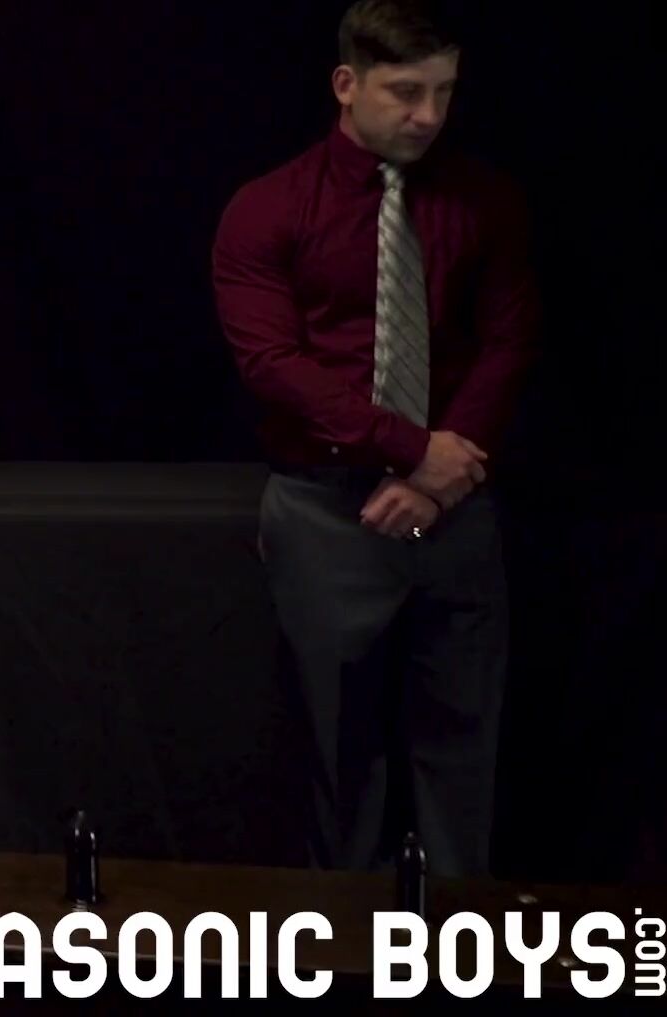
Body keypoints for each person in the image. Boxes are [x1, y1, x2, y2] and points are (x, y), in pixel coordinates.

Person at [211, 0, 537, 878]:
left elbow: (509, 341)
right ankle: (344, 938)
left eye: (444, 91)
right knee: (335, 756)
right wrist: (408, 447)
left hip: (457, 505)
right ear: (347, 84)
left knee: (463, 746)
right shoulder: (267, 208)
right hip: (326, 512)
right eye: (405, 92)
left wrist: (437, 473)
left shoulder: (486, 201)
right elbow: (274, 363)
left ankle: (457, 937)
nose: (428, 115)